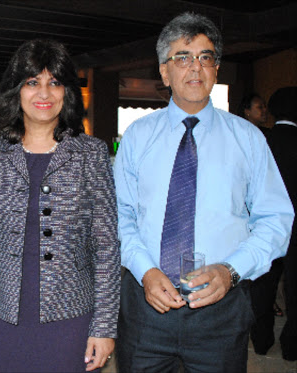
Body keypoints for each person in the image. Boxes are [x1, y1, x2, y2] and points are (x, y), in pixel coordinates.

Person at [114, 12, 294, 373]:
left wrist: (232, 270)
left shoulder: (249, 139)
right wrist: (146, 271)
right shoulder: (137, 137)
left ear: (216, 70)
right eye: (183, 57)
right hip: (146, 308)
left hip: (222, 313)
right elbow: (119, 215)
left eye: (205, 57)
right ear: (165, 72)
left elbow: (276, 219)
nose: (195, 67)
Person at [0, 39, 121, 372]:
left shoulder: (91, 154)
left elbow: (106, 247)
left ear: (67, 92)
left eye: (54, 82)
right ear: (17, 90)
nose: (44, 93)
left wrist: (104, 327)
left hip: (70, 320)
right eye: (32, 82)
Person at [265, 86, 297, 361]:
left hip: (265, 224)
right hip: (296, 224)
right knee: (294, 287)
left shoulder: (263, 140)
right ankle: (292, 345)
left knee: (263, 284)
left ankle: (261, 339)